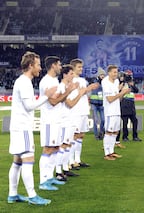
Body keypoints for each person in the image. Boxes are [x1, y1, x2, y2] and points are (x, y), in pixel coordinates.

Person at [8, 51, 56, 205]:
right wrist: (46, 96)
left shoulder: (22, 81)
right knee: (28, 160)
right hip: (23, 128)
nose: (40, 68)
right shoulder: (24, 82)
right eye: (38, 65)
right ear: (30, 65)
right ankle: (32, 196)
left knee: (17, 162)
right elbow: (29, 106)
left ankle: (13, 194)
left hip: (18, 126)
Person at [38, 56, 77, 190]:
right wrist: (68, 91)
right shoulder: (47, 81)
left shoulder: (54, 80)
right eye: (59, 65)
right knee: (48, 149)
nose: (61, 67)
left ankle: (49, 177)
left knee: (55, 148)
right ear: (53, 65)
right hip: (49, 120)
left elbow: (58, 100)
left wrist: (67, 91)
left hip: (57, 120)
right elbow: (53, 102)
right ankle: (43, 181)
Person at [68, 58, 99, 169]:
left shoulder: (82, 80)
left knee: (81, 135)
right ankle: (71, 161)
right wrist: (88, 89)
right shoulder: (71, 80)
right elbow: (76, 95)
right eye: (79, 67)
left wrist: (87, 90)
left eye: (82, 67)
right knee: (74, 136)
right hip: (75, 112)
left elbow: (84, 94)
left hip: (83, 110)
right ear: (73, 68)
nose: (81, 69)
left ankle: (77, 159)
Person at [58, 64, 87, 178]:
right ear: (65, 75)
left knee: (68, 144)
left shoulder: (69, 86)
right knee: (63, 145)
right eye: (71, 74)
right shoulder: (62, 87)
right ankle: (59, 171)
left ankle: (65, 168)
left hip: (70, 118)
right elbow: (70, 104)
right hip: (64, 119)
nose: (72, 76)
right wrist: (79, 94)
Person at [102, 65, 130, 160]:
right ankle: (107, 153)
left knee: (115, 132)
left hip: (117, 110)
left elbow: (118, 98)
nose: (116, 74)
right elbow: (109, 99)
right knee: (109, 132)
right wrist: (121, 93)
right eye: (114, 72)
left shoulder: (116, 82)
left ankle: (111, 151)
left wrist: (123, 93)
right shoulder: (105, 82)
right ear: (109, 72)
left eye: (116, 72)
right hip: (110, 111)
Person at [120, 70, 142, 142]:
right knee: (125, 122)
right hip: (124, 103)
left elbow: (136, 90)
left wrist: (131, 84)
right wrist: (123, 82)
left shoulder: (131, 83)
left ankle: (135, 136)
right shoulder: (121, 83)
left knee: (135, 121)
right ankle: (125, 137)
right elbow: (118, 91)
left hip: (131, 104)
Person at [90, 67, 106, 140]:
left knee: (103, 120)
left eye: (103, 75)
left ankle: (101, 133)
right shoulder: (94, 81)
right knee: (96, 120)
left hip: (102, 103)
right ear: (99, 75)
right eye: (101, 75)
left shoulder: (105, 82)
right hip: (94, 103)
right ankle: (96, 135)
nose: (103, 76)